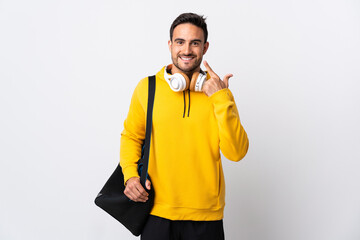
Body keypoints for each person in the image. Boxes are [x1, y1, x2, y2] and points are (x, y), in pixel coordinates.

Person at [120, 12, 249, 240]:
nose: (187, 50)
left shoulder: (219, 93)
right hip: (156, 213)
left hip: (206, 218)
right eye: (180, 42)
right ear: (170, 45)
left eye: (195, 43)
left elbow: (237, 153)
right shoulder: (147, 88)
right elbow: (131, 136)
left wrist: (221, 98)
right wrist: (130, 176)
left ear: (205, 47)